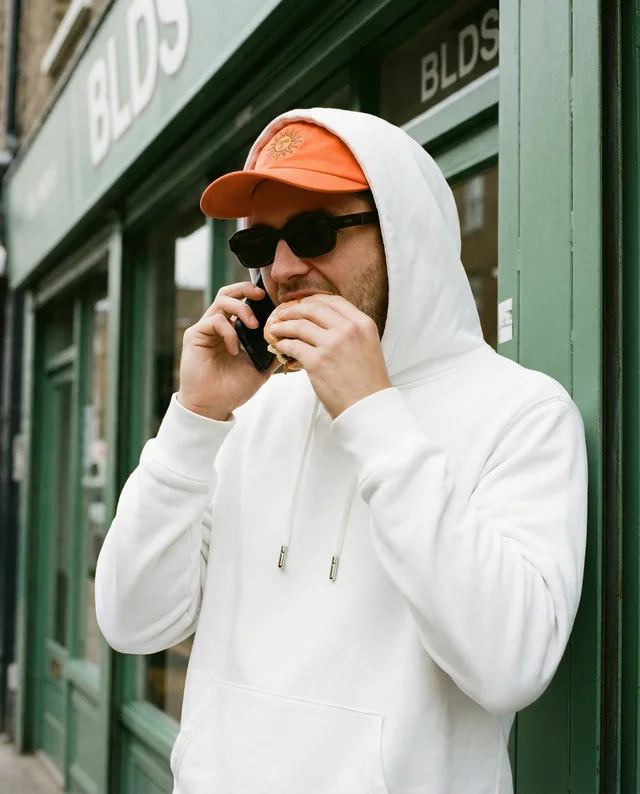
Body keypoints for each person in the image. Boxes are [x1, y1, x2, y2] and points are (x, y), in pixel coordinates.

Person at [95, 108, 588, 794]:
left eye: (314, 232)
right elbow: (131, 617)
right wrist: (193, 418)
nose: (286, 269)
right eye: (262, 244)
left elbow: (512, 663)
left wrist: (372, 413)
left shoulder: (523, 412)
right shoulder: (254, 406)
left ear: (403, 236)